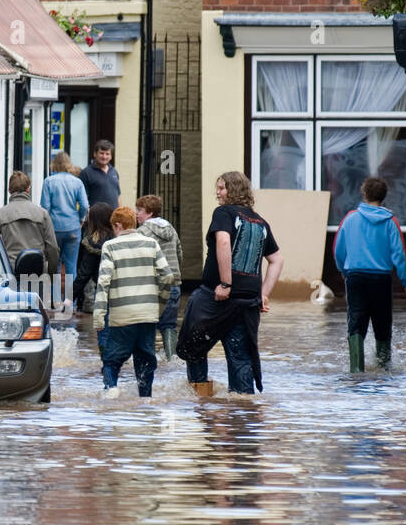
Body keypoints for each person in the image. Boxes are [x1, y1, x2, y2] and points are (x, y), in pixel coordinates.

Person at [177, 171, 284, 395]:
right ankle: (242, 413)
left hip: (216, 298)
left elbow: (223, 241)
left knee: (193, 347)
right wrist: (264, 294)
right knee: (241, 358)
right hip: (247, 303)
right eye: (217, 188)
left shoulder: (224, 212)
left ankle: (201, 401)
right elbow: (277, 260)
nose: (217, 192)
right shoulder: (260, 222)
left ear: (234, 190)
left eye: (222, 188)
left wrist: (225, 284)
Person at [333, 175, 406, 371]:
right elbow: (399, 253)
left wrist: (343, 270)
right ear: (383, 197)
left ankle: (356, 371)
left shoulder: (350, 219)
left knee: (356, 321)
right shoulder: (390, 221)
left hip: (355, 276)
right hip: (381, 279)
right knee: (382, 322)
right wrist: (405, 280)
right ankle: (384, 368)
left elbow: (338, 250)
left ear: (364, 194)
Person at [93, 207, 174, 398]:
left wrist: (98, 317)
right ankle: (145, 400)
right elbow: (168, 277)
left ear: (118, 225)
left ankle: (112, 390)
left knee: (111, 360)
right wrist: (159, 306)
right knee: (145, 360)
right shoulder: (151, 244)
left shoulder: (111, 246)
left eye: (114, 227)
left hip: (123, 316)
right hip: (148, 314)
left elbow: (103, 283)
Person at [38, 151, 89, 308]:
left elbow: (45, 207)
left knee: (54, 265)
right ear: (69, 164)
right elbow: (85, 206)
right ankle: (70, 303)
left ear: (54, 164)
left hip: (54, 228)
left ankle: (55, 301)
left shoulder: (48, 182)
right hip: (73, 227)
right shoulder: (77, 182)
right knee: (71, 267)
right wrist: (81, 219)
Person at [136, 194, 184, 361]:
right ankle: (171, 359)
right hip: (174, 284)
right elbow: (179, 254)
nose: (137, 214)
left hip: (153, 286)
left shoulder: (142, 232)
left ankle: (147, 360)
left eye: (140, 210)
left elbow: (140, 258)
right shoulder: (171, 229)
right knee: (169, 325)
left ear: (149, 213)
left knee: (147, 325)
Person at [0, 171, 60, 279]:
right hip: (37, 272)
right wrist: (51, 274)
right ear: (28, 189)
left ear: (9, 190)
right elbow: (53, 248)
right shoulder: (42, 214)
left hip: (10, 271)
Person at [73, 202, 114, 315]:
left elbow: (84, 273)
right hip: (123, 291)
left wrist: (69, 298)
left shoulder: (93, 242)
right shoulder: (118, 237)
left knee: (104, 328)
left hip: (103, 291)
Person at [80, 139, 120, 209]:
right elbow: (83, 199)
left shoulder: (114, 171)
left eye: (107, 154)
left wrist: (120, 212)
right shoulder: (86, 173)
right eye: (101, 153)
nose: (104, 157)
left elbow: (118, 196)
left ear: (111, 156)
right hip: (96, 217)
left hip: (113, 216)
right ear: (95, 154)